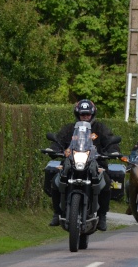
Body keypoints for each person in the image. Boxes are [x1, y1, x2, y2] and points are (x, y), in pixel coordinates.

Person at [48, 99, 120, 231]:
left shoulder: (100, 128)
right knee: (55, 181)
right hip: (72, 161)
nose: (86, 117)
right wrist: (54, 149)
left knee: (106, 182)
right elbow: (59, 140)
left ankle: (102, 216)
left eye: (88, 115)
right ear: (78, 115)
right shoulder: (69, 129)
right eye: (83, 115)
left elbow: (110, 140)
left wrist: (113, 150)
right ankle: (57, 213)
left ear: (92, 115)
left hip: (96, 161)